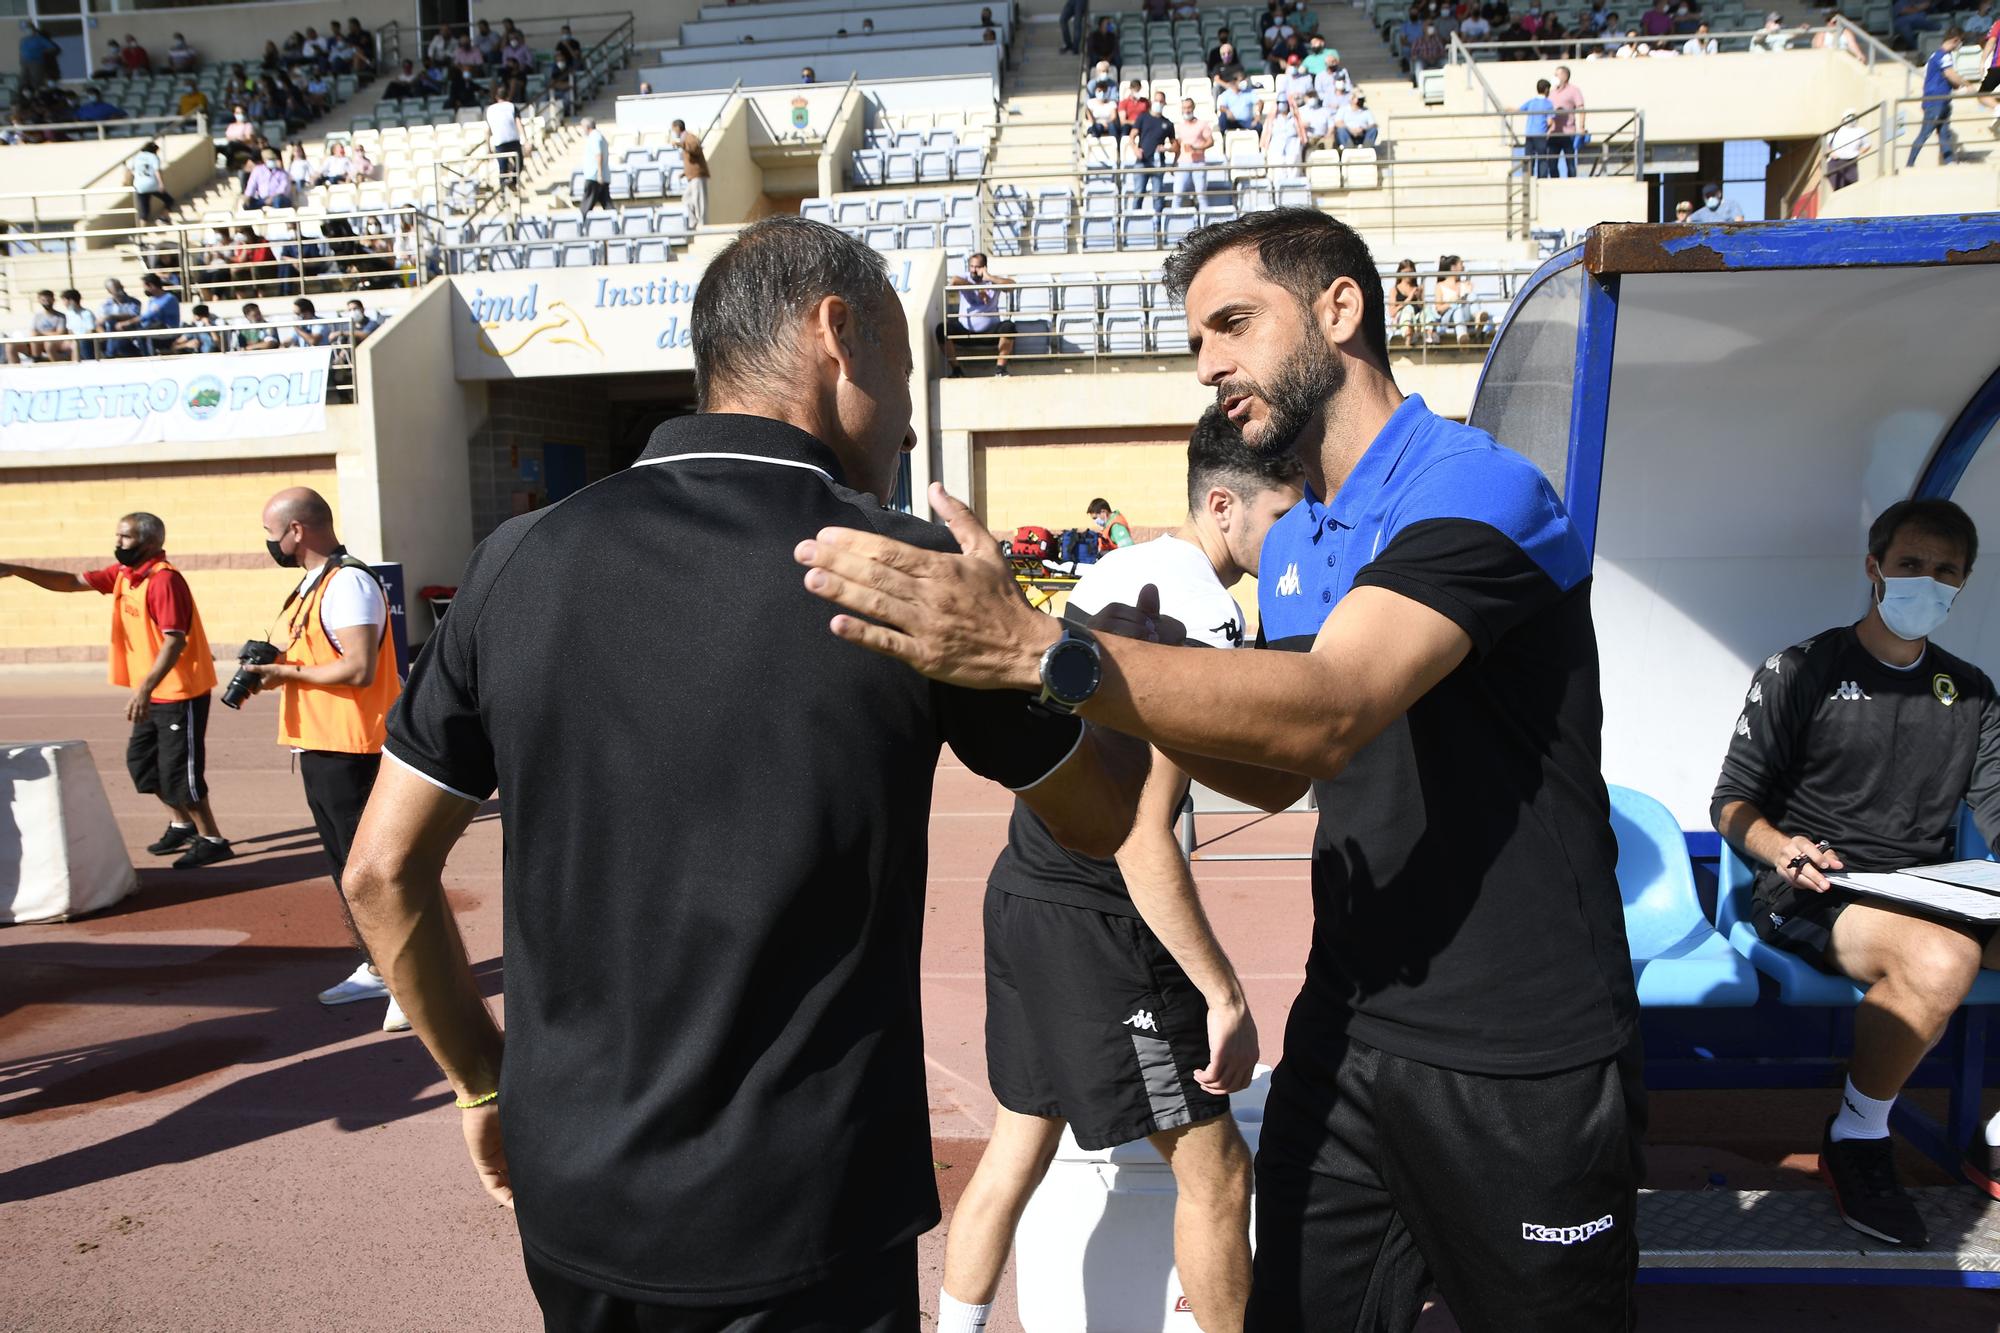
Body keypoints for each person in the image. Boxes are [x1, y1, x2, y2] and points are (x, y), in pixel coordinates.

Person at [794, 207, 1646, 1332]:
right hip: (1352, 1025)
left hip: (1518, 1051)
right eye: (1196, 338)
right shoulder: (1294, 541)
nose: (1208, 365)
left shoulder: (1477, 491)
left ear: (1339, 309)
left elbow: (1327, 715)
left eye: (1233, 324)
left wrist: (1044, 649)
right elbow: (1273, 774)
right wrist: (1069, 683)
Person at [335, 216, 1144, 1328]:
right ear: (836, 335)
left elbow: (380, 874)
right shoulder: (903, 574)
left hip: (576, 1190)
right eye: (903, 378)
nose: (906, 418)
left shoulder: (515, 561)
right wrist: (1031, 648)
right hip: (806, 1204)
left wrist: (484, 1081)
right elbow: (1098, 817)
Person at [938, 411, 1303, 1333]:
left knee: (1016, 1147)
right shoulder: (1202, 613)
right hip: (1098, 919)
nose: (1299, 531)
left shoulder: (1115, 566)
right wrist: (1222, 991)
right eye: (1288, 511)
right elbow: (1143, 836)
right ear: (1224, 505)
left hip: (1020, 887)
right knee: (1217, 1173)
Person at [1713, 499, 2000, 1243]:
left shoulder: (1970, 691)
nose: (1926, 583)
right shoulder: (1801, 668)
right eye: (1910, 565)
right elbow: (1730, 804)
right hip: (1812, 889)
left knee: (1945, 938)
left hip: (1929, 889)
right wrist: (1780, 847)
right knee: (1943, 957)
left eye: (1946, 572)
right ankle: (1857, 1137)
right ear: (1875, 568)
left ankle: (1993, 1137)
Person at [232, 488, 408, 1032]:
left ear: (297, 531)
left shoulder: (348, 582)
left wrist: (285, 674)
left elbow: (356, 669)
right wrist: (279, 666)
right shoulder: (312, 585)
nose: (268, 543)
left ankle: (412, 980)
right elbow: (320, 659)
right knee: (346, 872)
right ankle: (379, 966)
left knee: (374, 875)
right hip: (322, 745)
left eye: (270, 533)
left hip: (353, 749)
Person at [0, 514, 233, 869]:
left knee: (180, 772)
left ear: (150, 543)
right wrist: (16, 569)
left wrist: (144, 689)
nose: (118, 542)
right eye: (117, 536)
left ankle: (212, 838)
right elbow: (70, 582)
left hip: (178, 693)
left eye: (125, 537)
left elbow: (174, 642)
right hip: (152, 692)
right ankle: (182, 823)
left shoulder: (164, 581)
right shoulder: (125, 575)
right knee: (142, 765)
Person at [940, 252, 1018, 378]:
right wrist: (977, 289)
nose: (973, 270)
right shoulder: (965, 278)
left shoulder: (993, 281)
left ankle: (1000, 369)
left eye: (977, 267)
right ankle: (956, 370)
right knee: (941, 330)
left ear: (984, 267)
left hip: (990, 333)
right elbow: (954, 281)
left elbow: (1012, 285)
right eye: (971, 266)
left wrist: (990, 278)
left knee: (1009, 327)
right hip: (966, 332)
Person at [1908, 30, 1969, 166]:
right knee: (1925, 133)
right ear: (1955, 40)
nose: (1960, 45)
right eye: (1960, 41)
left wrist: (1956, 85)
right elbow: (1950, 74)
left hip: (1942, 100)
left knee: (1944, 132)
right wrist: (1967, 85)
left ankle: (1949, 161)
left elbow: (1946, 77)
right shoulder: (1943, 56)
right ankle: (1910, 164)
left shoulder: (1936, 55)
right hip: (1936, 101)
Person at [1175, 97, 1217, 206]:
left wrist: (1196, 148)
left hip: (1198, 163)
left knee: (1201, 194)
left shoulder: (1202, 124)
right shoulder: (1180, 126)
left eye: (1189, 107)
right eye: (1185, 108)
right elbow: (1179, 145)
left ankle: (1205, 219)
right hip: (1183, 162)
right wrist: (1175, 161)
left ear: (1193, 108)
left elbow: (1211, 141)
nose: (1187, 110)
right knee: (1177, 194)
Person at [1547, 65, 1585, 177]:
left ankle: (1572, 185)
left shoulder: (1574, 90)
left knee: (1570, 163)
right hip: (1553, 133)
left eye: (1557, 74)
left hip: (1568, 133)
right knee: (1552, 164)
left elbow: (1581, 108)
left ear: (1565, 75)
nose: (1554, 77)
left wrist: (1581, 127)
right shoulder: (1551, 92)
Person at [485, 86, 523, 191]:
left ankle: (502, 192)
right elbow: (518, 123)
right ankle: (513, 182)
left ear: (496, 96)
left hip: (499, 142)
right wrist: (525, 139)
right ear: (507, 96)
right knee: (520, 163)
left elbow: (487, 131)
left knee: (503, 169)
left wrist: (488, 147)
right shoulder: (511, 106)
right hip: (513, 140)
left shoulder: (490, 109)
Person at [127, 140, 173, 226]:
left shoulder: (136, 157)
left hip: (139, 186)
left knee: (144, 210)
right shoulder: (153, 157)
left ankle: (141, 230)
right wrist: (161, 184)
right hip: (152, 184)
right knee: (169, 200)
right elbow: (157, 171)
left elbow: (129, 170)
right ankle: (163, 216)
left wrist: (126, 182)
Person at [674, 119, 710, 228]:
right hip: (692, 176)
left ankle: (702, 224)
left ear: (677, 127)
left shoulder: (689, 137)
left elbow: (695, 148)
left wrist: (681, 145)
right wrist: (684, 173)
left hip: (698, 175)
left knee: (699, 201)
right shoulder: (685, 138)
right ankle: (693, 221)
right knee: (687, 199)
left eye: (674, 129)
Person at [576, 117, 612, 216]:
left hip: (594, 177)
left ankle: (580, 227)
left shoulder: (594, 137)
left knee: (585, 207)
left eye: (582, 127)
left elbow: (598, 155)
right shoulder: (600, 136)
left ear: (587, 127)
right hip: (600, 176)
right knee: (607, 205)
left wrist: (599, 174)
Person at [1826, 108, 1869, 190]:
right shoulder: (1837, 130)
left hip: (1851, 161)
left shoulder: (1861, 130)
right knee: (1839, 188)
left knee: (1852, 187)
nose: (1852, 119)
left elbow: (1867, 145)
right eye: (1849, 116)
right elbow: (1828, 144)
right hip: (1835, 161)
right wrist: (1831, 153)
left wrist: (1858, 153)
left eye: (1853, 116)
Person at [1522, 78, 1556, 177]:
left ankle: (1527, 178)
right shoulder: (1548, 104)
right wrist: (1549, 131)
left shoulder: (1531, 102)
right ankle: (1542, 179)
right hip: (1540, 134)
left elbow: (1518, 109)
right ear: (1546, 90)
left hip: (1529, 134)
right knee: (1542, 159)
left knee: (1528, 159)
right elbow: (1550, 121)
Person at [1387, 258, 1426, 343]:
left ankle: (1428, 333)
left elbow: (1423, 308)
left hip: (1417, 319)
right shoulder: (1394, 290)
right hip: (1400, 320)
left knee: (1425, 312)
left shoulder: (1418, 289)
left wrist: (1418, 297)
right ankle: (1408, 334)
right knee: (1408, 308)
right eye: (1406, 272)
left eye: (1411, 272)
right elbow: (1392, 312)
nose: (1408, 275)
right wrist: (1407, 300)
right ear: (1400, 273)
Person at [59, 288, 98, 361]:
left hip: (85, 341)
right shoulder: (68, 314)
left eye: (64, 300)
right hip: (73, 340)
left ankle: (76, 366)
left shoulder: (87, 313)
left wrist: (78, 339)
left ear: (71, 300)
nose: (63, 303)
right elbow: (70, 331)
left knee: (77, 344)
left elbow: (91, 330)